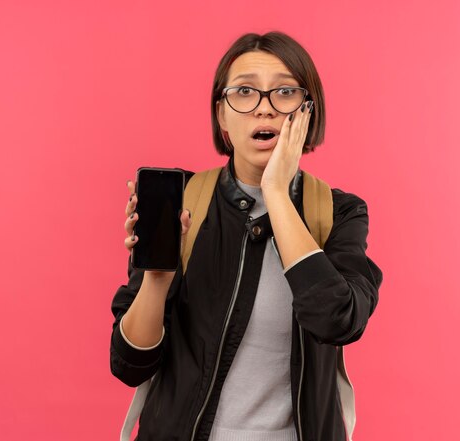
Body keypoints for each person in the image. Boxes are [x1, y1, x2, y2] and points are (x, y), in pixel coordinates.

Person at [110, 31, 383, 441]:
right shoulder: (182, 202)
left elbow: (337, 320)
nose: (265, 109)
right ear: (221, 115)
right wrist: (157, 279)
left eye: (285, 92)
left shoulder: (340, 212)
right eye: (245, 91)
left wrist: (277, 193)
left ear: (308, 112)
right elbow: (129, 364)